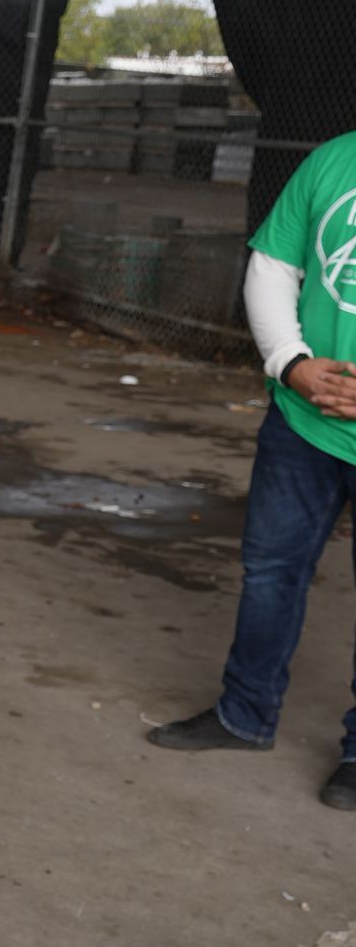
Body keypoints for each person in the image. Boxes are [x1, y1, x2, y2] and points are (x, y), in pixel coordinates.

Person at [150, 138, 356, 807]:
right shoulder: (334, 161)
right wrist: (292, 364)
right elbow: (273, 267)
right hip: (304, 423)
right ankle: (245, 715)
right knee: (270, 571)